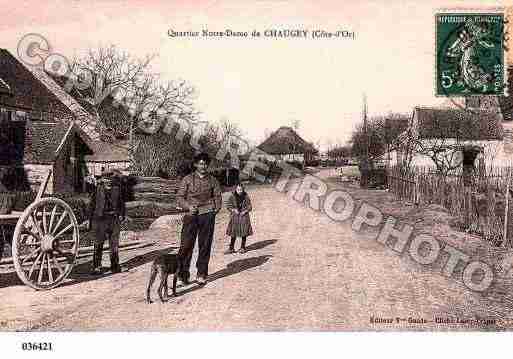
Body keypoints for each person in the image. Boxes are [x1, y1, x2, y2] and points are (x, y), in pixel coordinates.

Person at [177, 152, 222, 286]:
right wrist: (188, 206)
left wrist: (215, 209)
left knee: (205, 245)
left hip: (207, 215)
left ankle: (201, 273)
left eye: (205, 163)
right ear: (196, 164)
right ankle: (183, 274)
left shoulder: (213, 180)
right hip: (191, 215)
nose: (203, 166)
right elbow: (179, 197)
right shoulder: (187, 179)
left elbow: (218, 196)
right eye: (200, 163)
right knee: (186, 245)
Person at [88, 169, 126, 275]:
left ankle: (114, 266)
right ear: (102, 180)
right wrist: (89, 219)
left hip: (114, 219)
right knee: (98, 244)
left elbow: (121, 203)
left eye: (110, 179)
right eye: (106, 179)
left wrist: (122, 215)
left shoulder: (117, 189)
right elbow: (91, 205)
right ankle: (96, 267)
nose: (108, 181)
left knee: (114, 244)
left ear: (112, 179)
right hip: (100, 220)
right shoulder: (97, 190)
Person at [225, 183, 253, 254]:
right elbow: (228, 205)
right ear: (235, 189)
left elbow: (250, 206)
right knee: (233, 232)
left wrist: (245, 211)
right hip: (235, 216)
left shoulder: (246, 196)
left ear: (243, 190)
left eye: (241, 190)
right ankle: (231, 248)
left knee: (244, 231)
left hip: (244, 216)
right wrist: (234, 210)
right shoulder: (232, 196)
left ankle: (242, 247)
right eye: (238, 189)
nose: (239, 191)